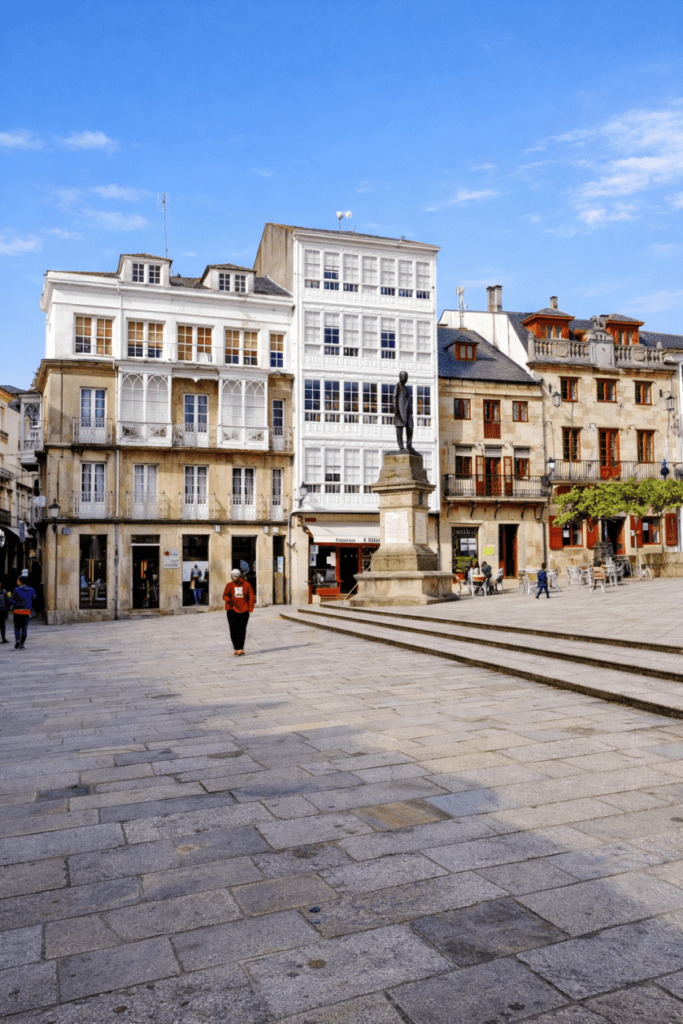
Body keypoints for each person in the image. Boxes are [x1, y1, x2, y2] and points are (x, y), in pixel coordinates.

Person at [223, 567, 255, 656]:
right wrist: (228, 599)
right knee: (233, 629)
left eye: (233, 576)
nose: (232, 578)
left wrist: (250, 607)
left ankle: (241, 648)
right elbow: (224, 595)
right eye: (232, 576)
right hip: (232, 610)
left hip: (244, 610)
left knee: (242, 629)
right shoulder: (229, 585)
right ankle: (236, 648)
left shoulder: (247, 585)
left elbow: (251, 597)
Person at [11, 576, 37, 649]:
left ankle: (17, 640)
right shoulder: (31, 589)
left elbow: (12, 599)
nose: (17, 582)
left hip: (17, 611)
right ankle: (22, 644)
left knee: (17, 627)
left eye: (17, 580)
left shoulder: (16, 589)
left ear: (20, 582)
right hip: (26, 611)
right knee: (24, 628)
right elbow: (34, 598)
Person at [393, 370, 415, 451]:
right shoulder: (398, 386)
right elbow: (395, 397)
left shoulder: (406, 388)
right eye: (404, 376)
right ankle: (401, 446)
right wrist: (396, 409)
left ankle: (409, 445)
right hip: (400, 411)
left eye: (406, 376)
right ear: (400, 377)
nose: (405, 378)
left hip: (408, 412)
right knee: (399, 429)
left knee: (410, 427)